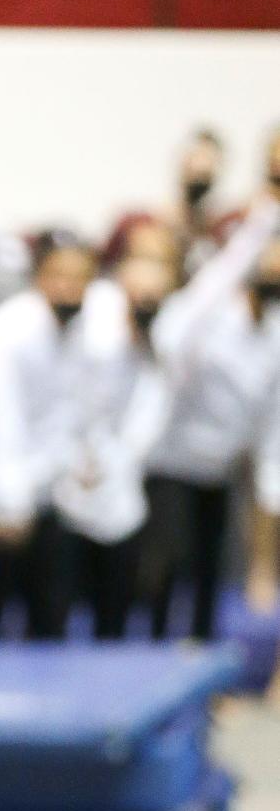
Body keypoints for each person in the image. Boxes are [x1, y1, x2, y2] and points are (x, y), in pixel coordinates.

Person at [142, 190, 280, 641]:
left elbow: (270, 432)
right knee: (167, 571)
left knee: (206, 580)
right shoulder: (206, 318)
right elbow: (177, 326)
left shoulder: (276, 336)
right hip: (172, 467)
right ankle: (152, 662)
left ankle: (198, 675)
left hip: (218, 476)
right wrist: (257, 228)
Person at [0, 235, 100, 640]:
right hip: (6, 501)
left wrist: (80, 459)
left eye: (81, 277)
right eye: (60, 276)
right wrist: (11, 502)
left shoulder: (79, 327)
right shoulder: (11, 331)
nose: (70, 286)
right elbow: (0, 420)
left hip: (51, 496)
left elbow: (68, 408)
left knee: (50, 620)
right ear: (39, 279)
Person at [55, 254, 175, 638]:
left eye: (156, 297)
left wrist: (117, 462)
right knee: (54, 606)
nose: (146, 303)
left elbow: (147, 421)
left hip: (121, 493)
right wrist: (79, 458)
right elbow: (67, 402)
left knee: (116, 606)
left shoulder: (160, 347)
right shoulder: (91, 336)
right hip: (67, 483)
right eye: (140, 294)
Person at [102, 127, 231, 278]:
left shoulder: (217, 232)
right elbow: (104, 267)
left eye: (209, 166)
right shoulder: (135, 223)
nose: (200, 170)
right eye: (195, 159)